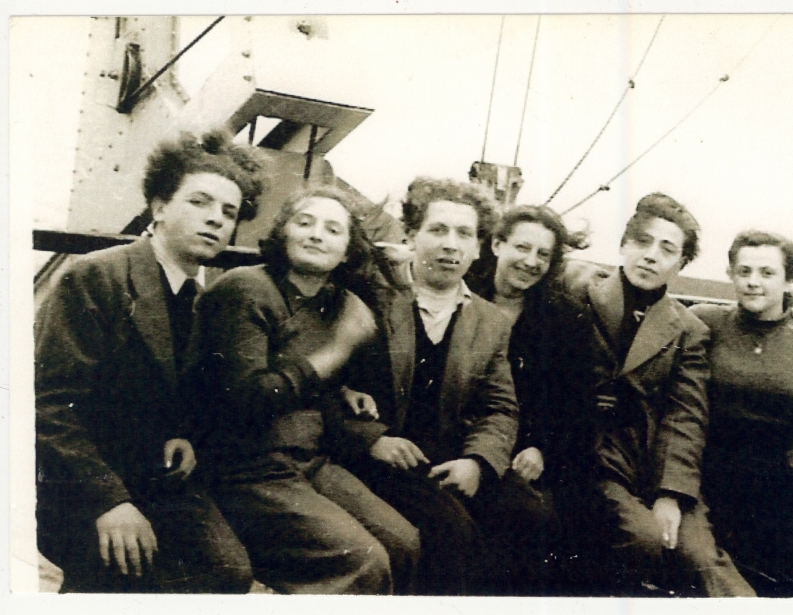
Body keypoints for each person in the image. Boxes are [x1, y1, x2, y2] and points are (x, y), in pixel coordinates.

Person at [35, 130, 261, 593]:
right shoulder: (96, 275)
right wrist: (109, 503)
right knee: (141, 579)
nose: (216, 220)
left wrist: (183, 436)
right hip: (81, 486)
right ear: (159, 207)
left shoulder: (198, 298)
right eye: (201, 202)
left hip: (154, 481)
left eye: (229, 212)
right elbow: (48, 406)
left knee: (229, 573)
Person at [188, 185, 420, 594]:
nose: (316, 235)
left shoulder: (333, 301)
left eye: (333, 229)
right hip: (246, 469)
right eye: (305, 222)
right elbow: (247, 400)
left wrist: (340, 388)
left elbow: (300, 364)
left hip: (308, 461)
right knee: (365, 562)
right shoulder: (246, 289)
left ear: (348, 251)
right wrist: (334, 355)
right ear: (283, 233)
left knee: (404, 543)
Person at [341, 177, 550, 595]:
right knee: (450, 534)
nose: (450, 245)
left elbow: (500, 408)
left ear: (478, 248)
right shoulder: (370, 298)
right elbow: (328, 384)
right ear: (412, 236)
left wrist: (479, 461)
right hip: (382, 458)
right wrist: (372, 438)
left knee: (533, 517)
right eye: (437, 230)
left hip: (451, 456)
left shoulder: (489, 321)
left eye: (464, 234)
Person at [566, 193, 755, 597]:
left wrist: (671, 494)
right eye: (641, 242)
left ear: (681, 265)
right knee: (644, 538)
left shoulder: (687, 329)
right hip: (589, 455)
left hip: (653, 462)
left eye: (667, 249)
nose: (650, 256)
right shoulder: (579, 294)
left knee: (702, 559)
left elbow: (685, 416)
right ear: (623, 245)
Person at [691, 230, 793, 596]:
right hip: (708, 468)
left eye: (767, 273)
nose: (753, 282)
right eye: (743, 271)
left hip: (777, 479)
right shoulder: (704, 321)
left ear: (789, 278)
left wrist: (787, 464)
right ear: (731, 274)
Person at [465, 205, 596, 592]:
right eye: (522, 247)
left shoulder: (564, 318)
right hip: (460, 435)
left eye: (543, 254)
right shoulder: (462, 291)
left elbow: (575, 406)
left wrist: (542, 448)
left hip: (527, 450)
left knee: (545, 521)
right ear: (496, 244)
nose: (530, 261)